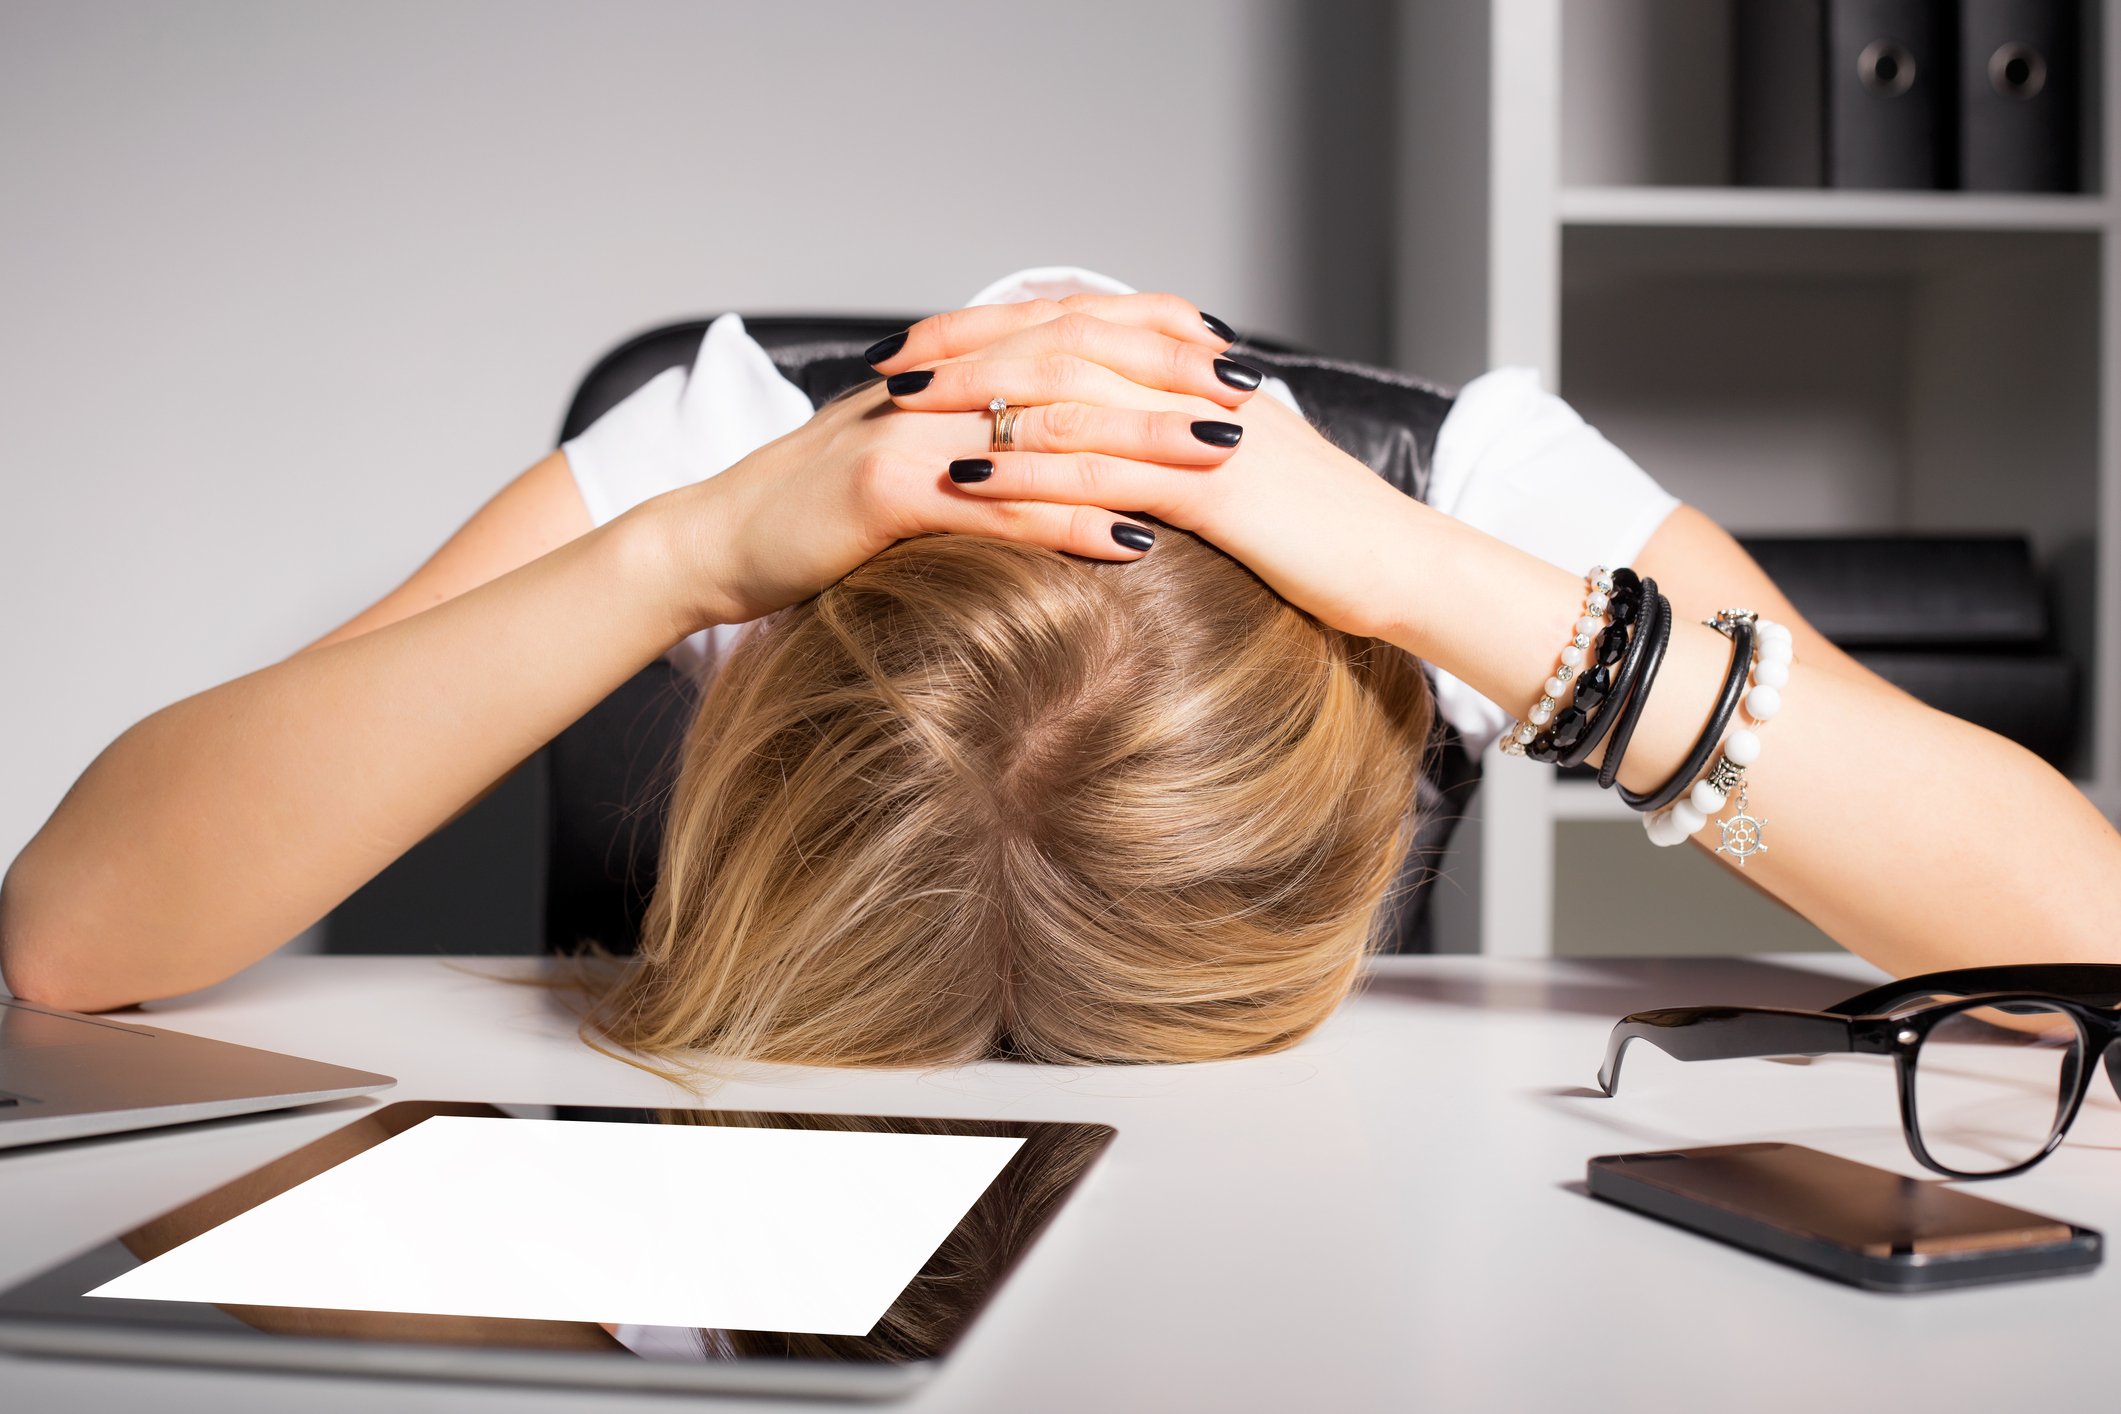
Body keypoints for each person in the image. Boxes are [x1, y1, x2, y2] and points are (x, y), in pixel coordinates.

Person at [3, 268, 2117, 1071]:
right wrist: (693, 533)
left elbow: (2073, 942)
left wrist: (1422, 569)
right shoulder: (716, 436)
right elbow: (76, 932)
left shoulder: (1459, 482)